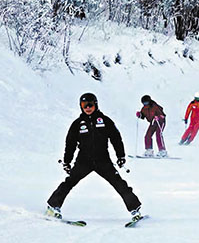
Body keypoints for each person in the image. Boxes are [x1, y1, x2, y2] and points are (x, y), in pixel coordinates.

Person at [47, 93, 142, 223]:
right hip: (83, 161)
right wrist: (67, 162)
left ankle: (135, 209)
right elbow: (70, 144)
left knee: (118, 183)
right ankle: (53, 206)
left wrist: (120, 156)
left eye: (90, 104)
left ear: (95, 104)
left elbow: (116, 139)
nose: (87, 108)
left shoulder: (105, 121)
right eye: (84, 105)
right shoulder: (77, 124)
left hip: (103, 160)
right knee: (69, 182)